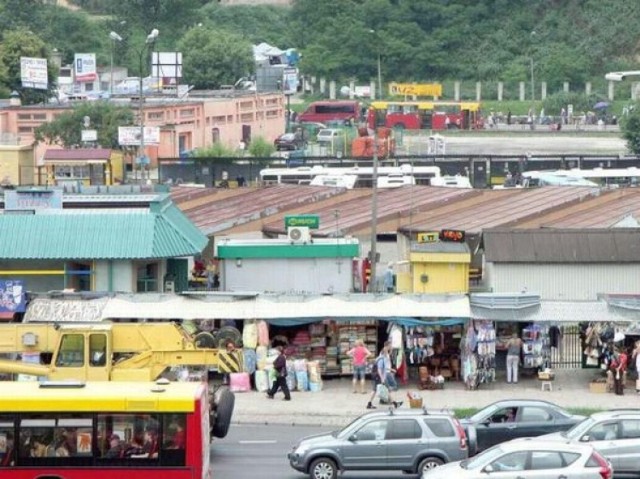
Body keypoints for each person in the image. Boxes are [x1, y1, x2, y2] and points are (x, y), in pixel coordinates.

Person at [367, 342, 402, 409]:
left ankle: (369, 403)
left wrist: (391, 369)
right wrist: (382, 378)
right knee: (388, 389)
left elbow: (384, 366)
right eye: (390, 346)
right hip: (380, 376)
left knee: (375, 390)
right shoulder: (382, 359)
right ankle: (394, 403)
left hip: (378, 377)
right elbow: (380, 369)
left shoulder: (382, 357)